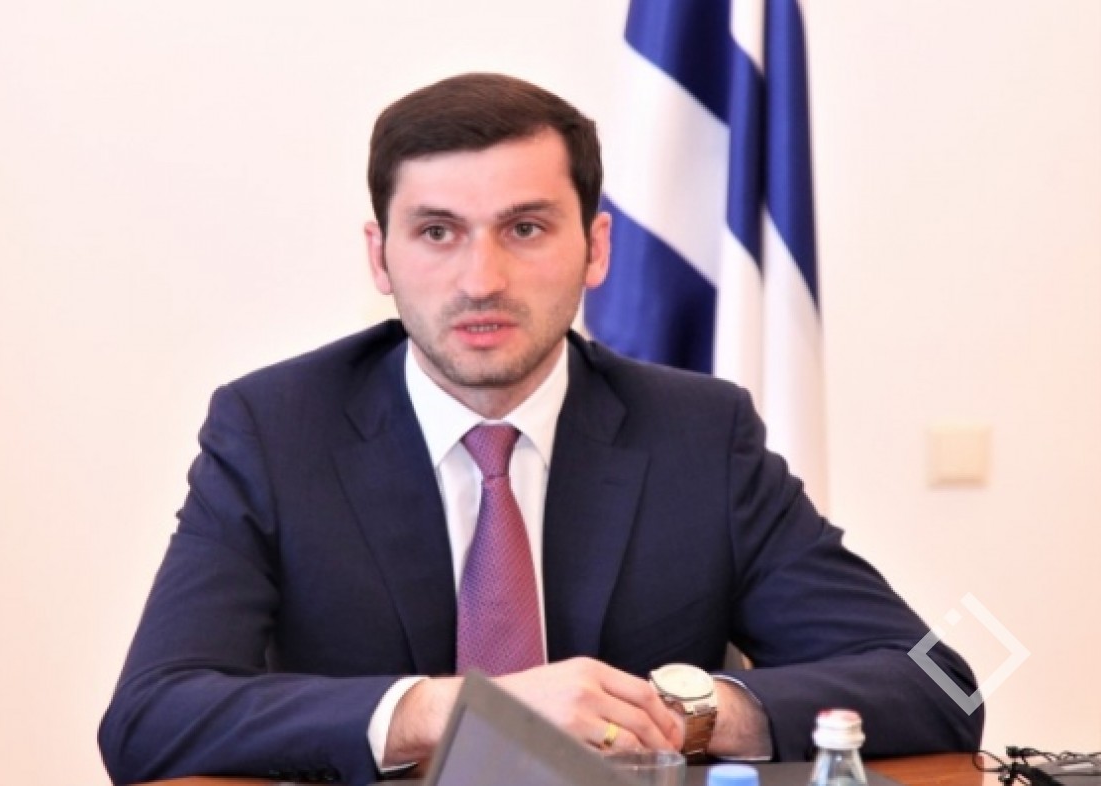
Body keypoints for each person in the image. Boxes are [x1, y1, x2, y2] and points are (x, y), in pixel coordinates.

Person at [99, 73, 983, 785]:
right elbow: (150, 717)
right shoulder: (274, 429)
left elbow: (938, 682)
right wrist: (455, 710)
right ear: (380, 256)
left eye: (525, 228)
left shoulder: (699, 435)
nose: (481, 279)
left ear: (596, 248)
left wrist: (678, 714)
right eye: (437, 231)